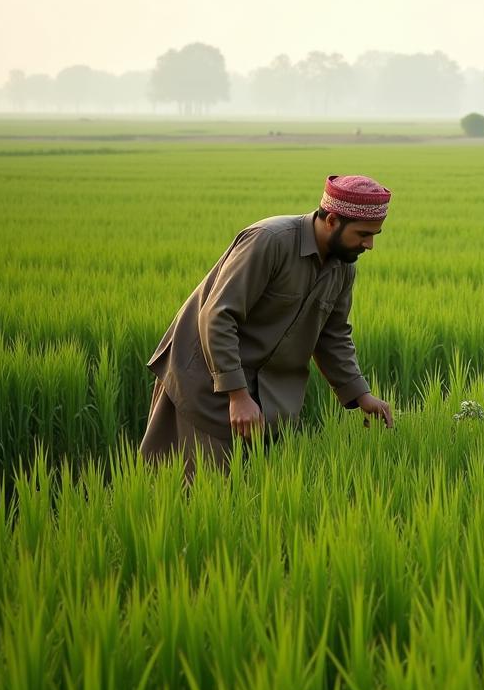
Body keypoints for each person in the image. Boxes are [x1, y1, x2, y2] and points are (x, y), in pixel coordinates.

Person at [139, 174, 394, 480]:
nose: (370, 244)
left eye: (374, 234)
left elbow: (332, 336)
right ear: (332, 221)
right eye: (364, 234)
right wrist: (237, 394)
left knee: (246, 496)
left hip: (266, 400)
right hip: (205, 382)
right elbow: (219, 315)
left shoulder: (343, 267)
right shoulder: (270, 240)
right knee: (193, 490)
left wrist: (361, 395)